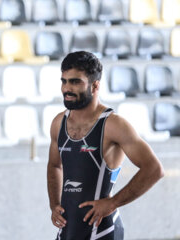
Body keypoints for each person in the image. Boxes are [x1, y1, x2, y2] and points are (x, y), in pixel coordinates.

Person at [47, 51, 164, 240]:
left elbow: (154, 169)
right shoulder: (58, 123)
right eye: (64, 81)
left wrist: (113, 202)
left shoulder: (113, 125)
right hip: (68, 231)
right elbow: (54, 165)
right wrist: (54, 204)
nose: (66, 88)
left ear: (95, 86)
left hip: (102, 231)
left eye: (75, 82)